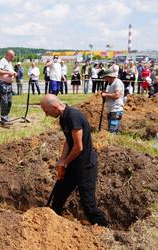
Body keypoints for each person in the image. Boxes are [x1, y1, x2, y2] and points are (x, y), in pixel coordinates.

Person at [40, 94, 108, 227]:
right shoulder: (63, 118)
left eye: (47, 112)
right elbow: (68, 141)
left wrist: (65, 162)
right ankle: (52, 227)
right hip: (73, 163)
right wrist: (62, 160)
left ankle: (105, 231)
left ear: (55, 107)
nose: (46, 115)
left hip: (85, 165)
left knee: (88, 204)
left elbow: (78, 147)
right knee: (58, 196)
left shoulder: (73, 116)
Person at [0, 50, 17, 126]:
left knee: (9, 102)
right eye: (12, 56)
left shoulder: (9, 63)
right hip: (3, 84)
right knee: (4, 102)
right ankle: (4, 120)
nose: (13, 58)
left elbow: (11, 71)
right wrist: (9, 73)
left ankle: (6, 118)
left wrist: (14, 73)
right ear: (8, 55)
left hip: (9, 85)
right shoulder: (2, 61)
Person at [101, 69, 124, 134]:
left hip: (116, 109)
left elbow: (117, 95)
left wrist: (106, 94)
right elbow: (111, 94)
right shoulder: (110, 84)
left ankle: (112, 143)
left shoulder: (117, 82)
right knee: (111, 129)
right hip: (111, 109)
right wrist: (105, 93)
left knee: (112, 130)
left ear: (109, 76)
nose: (105, 79)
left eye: (105, 77)